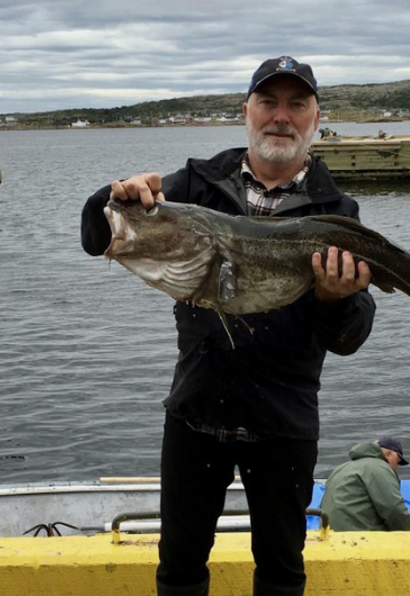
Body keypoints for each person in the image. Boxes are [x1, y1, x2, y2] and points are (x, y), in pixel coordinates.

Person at [81, 56, 376, 596]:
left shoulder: (337, 211)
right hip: (195, 412)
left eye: (296, 105)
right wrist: (114, 196)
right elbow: (102, 233)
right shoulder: (196, 185)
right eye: (268, 102)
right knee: (179, 571)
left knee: (282, 572)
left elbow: (350, 335)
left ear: (315, 119)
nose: (280, 117)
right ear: (247, 112)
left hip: (284, 424)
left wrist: (336, 300)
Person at [320, 436, 410, 532]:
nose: (396, 467)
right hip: (357, 537)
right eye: (397, 461)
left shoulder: (342, 467)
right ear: (388, 454)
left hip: (328, 535)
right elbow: (393, 509)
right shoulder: (379, 467)